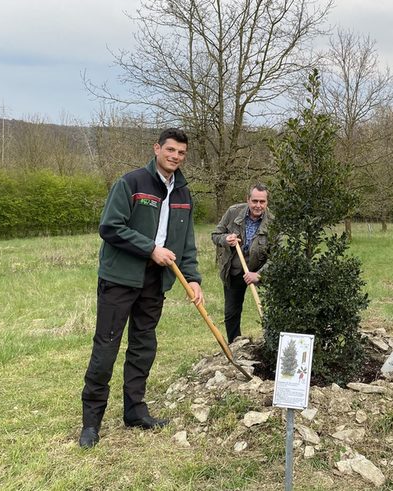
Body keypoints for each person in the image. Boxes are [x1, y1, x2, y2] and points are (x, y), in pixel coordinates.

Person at [79, 128, 204, 449]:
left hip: (155, 280)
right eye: (171, 150)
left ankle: (135, 412)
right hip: (120, 277)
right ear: (157, 149)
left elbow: (185, 242)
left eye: (181, 153)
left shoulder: (183, 193)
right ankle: (91, 423)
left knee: (143, 345)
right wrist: (150, 248)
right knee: (106, 346)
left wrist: (192, 278)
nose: (175, 156)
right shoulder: (131, 183)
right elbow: (110, 226)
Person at [211, 183, 273, 343]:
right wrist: (225, 239)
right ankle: (236, 346)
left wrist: (259, 275)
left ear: (267, 202)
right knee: (231, 313)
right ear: (248, 199)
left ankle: (271, 345)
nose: (258, 205)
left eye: (262, 202)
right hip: (234, 271)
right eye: (254, 201)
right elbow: (216, 234)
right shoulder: (233, 212)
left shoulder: (273, 223)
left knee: (267, 311)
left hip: (260, 273)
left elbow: (277, 256)